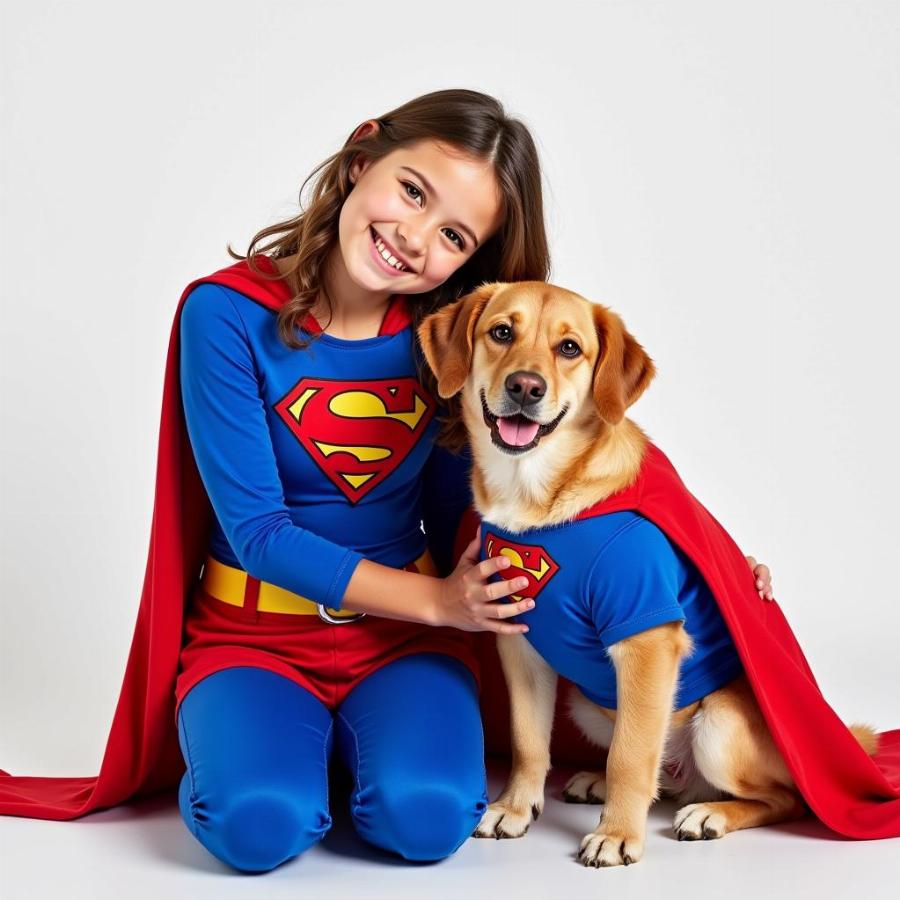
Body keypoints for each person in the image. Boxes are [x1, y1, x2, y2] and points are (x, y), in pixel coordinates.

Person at [0, 88, 774, 872]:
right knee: (257, 827)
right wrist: (442, 600)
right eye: (412, 189)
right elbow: (258, 535)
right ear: (363, 155)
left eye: (453, 234)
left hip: (403, 646)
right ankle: (287, 756)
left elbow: (503, 494)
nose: (413, 236)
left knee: (427, 822)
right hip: (255, 635)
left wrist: (701, 559)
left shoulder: (454, 341)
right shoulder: (226, 315)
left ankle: (359, 751)